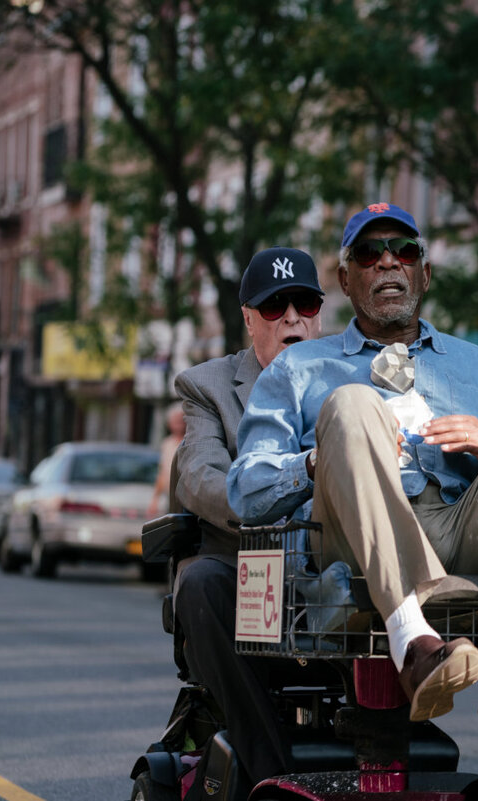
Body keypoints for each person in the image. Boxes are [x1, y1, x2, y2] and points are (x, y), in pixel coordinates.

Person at [228, 202, 478, 727]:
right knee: (354, 404)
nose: (387, 263)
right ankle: (412, 646)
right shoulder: (298, 368)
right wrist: (320, 458)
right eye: (368, 253)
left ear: (424, 273)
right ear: (346, 279)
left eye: (403, 251)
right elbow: (244, 491)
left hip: (463, 527)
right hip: (354, 536)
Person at [171, 247, 323, 792]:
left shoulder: (355, 374)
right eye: (273, 305)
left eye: (303, 303)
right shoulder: (207, 387)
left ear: (319, 312)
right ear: (247, 317)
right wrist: (276, 494)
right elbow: (201, 479)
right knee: (200, 580)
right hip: (253, 583)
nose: (290, 318)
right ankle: (274, 776)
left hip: (345, 580)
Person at [147, 403, 185, 517]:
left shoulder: (190, 442)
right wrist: (155, 499)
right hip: (169, 495)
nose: (178, 424)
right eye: (174, 421)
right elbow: (162, 473)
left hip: (185, 496)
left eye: (180, 420)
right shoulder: (167, 443)